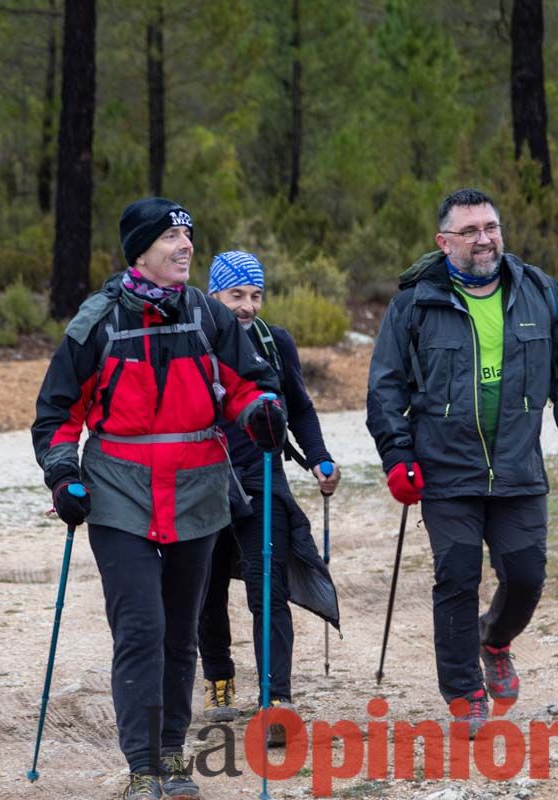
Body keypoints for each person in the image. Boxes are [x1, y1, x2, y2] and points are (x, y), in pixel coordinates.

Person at [31, 198, 287, 800]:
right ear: (140, 249)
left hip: (198, 491)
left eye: (188, 235)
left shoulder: (207, 315)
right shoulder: (98, 320)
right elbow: (57, 414)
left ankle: (172, 757)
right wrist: (63, 474)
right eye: (171, 236)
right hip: (119, 494)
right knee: (141, 629)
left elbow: (246, 384)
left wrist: (260, 413)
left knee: (180, 633)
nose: (185, 246)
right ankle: (142, 764)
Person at [365, 188, 558, 737]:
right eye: (468, 231)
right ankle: (465, 692)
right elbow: (384, 388)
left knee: (527, 575)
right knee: (457, 577)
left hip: (517, 469)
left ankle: (493, 640)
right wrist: (397, 456)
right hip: (445, 471)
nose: (484, 239)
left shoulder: (540, 292)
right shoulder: (415, 304)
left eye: (490, 226)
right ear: (444, 243)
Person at [196, 251, 341, 744]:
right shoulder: (192, 341)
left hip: (262, 478)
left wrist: (320, 458)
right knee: (205, 587)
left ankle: (275, 699)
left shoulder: (273, 343)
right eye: (236, 295)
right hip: (204, 480)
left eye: (255, 296)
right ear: (212, 294)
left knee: (268, 588)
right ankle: (218, 676)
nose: (247, 306)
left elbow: (299, 407)